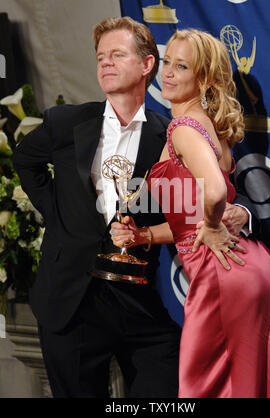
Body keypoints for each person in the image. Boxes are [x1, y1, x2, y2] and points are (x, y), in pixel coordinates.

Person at [12, 17, 257, 398]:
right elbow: (25, 160)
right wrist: (57, 214)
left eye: (117, 54)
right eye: (100, 57)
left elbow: (203, 201)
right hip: (69, 304)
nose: (105, 63)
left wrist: (241, 213)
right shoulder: (66, 123)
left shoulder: (169, 133)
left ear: (146, 65)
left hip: (138, 303)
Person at [111, 29, 270, 398]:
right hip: (250, 268)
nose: (167, 72)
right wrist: (143, 236)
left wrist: (213, 224)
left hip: (222, 274)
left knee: (204, 389)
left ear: (204, 79)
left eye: (181, 66)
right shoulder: (213, 128)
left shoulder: (183, 129)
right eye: (167, 62)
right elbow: (189, 222)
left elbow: (213, 193)